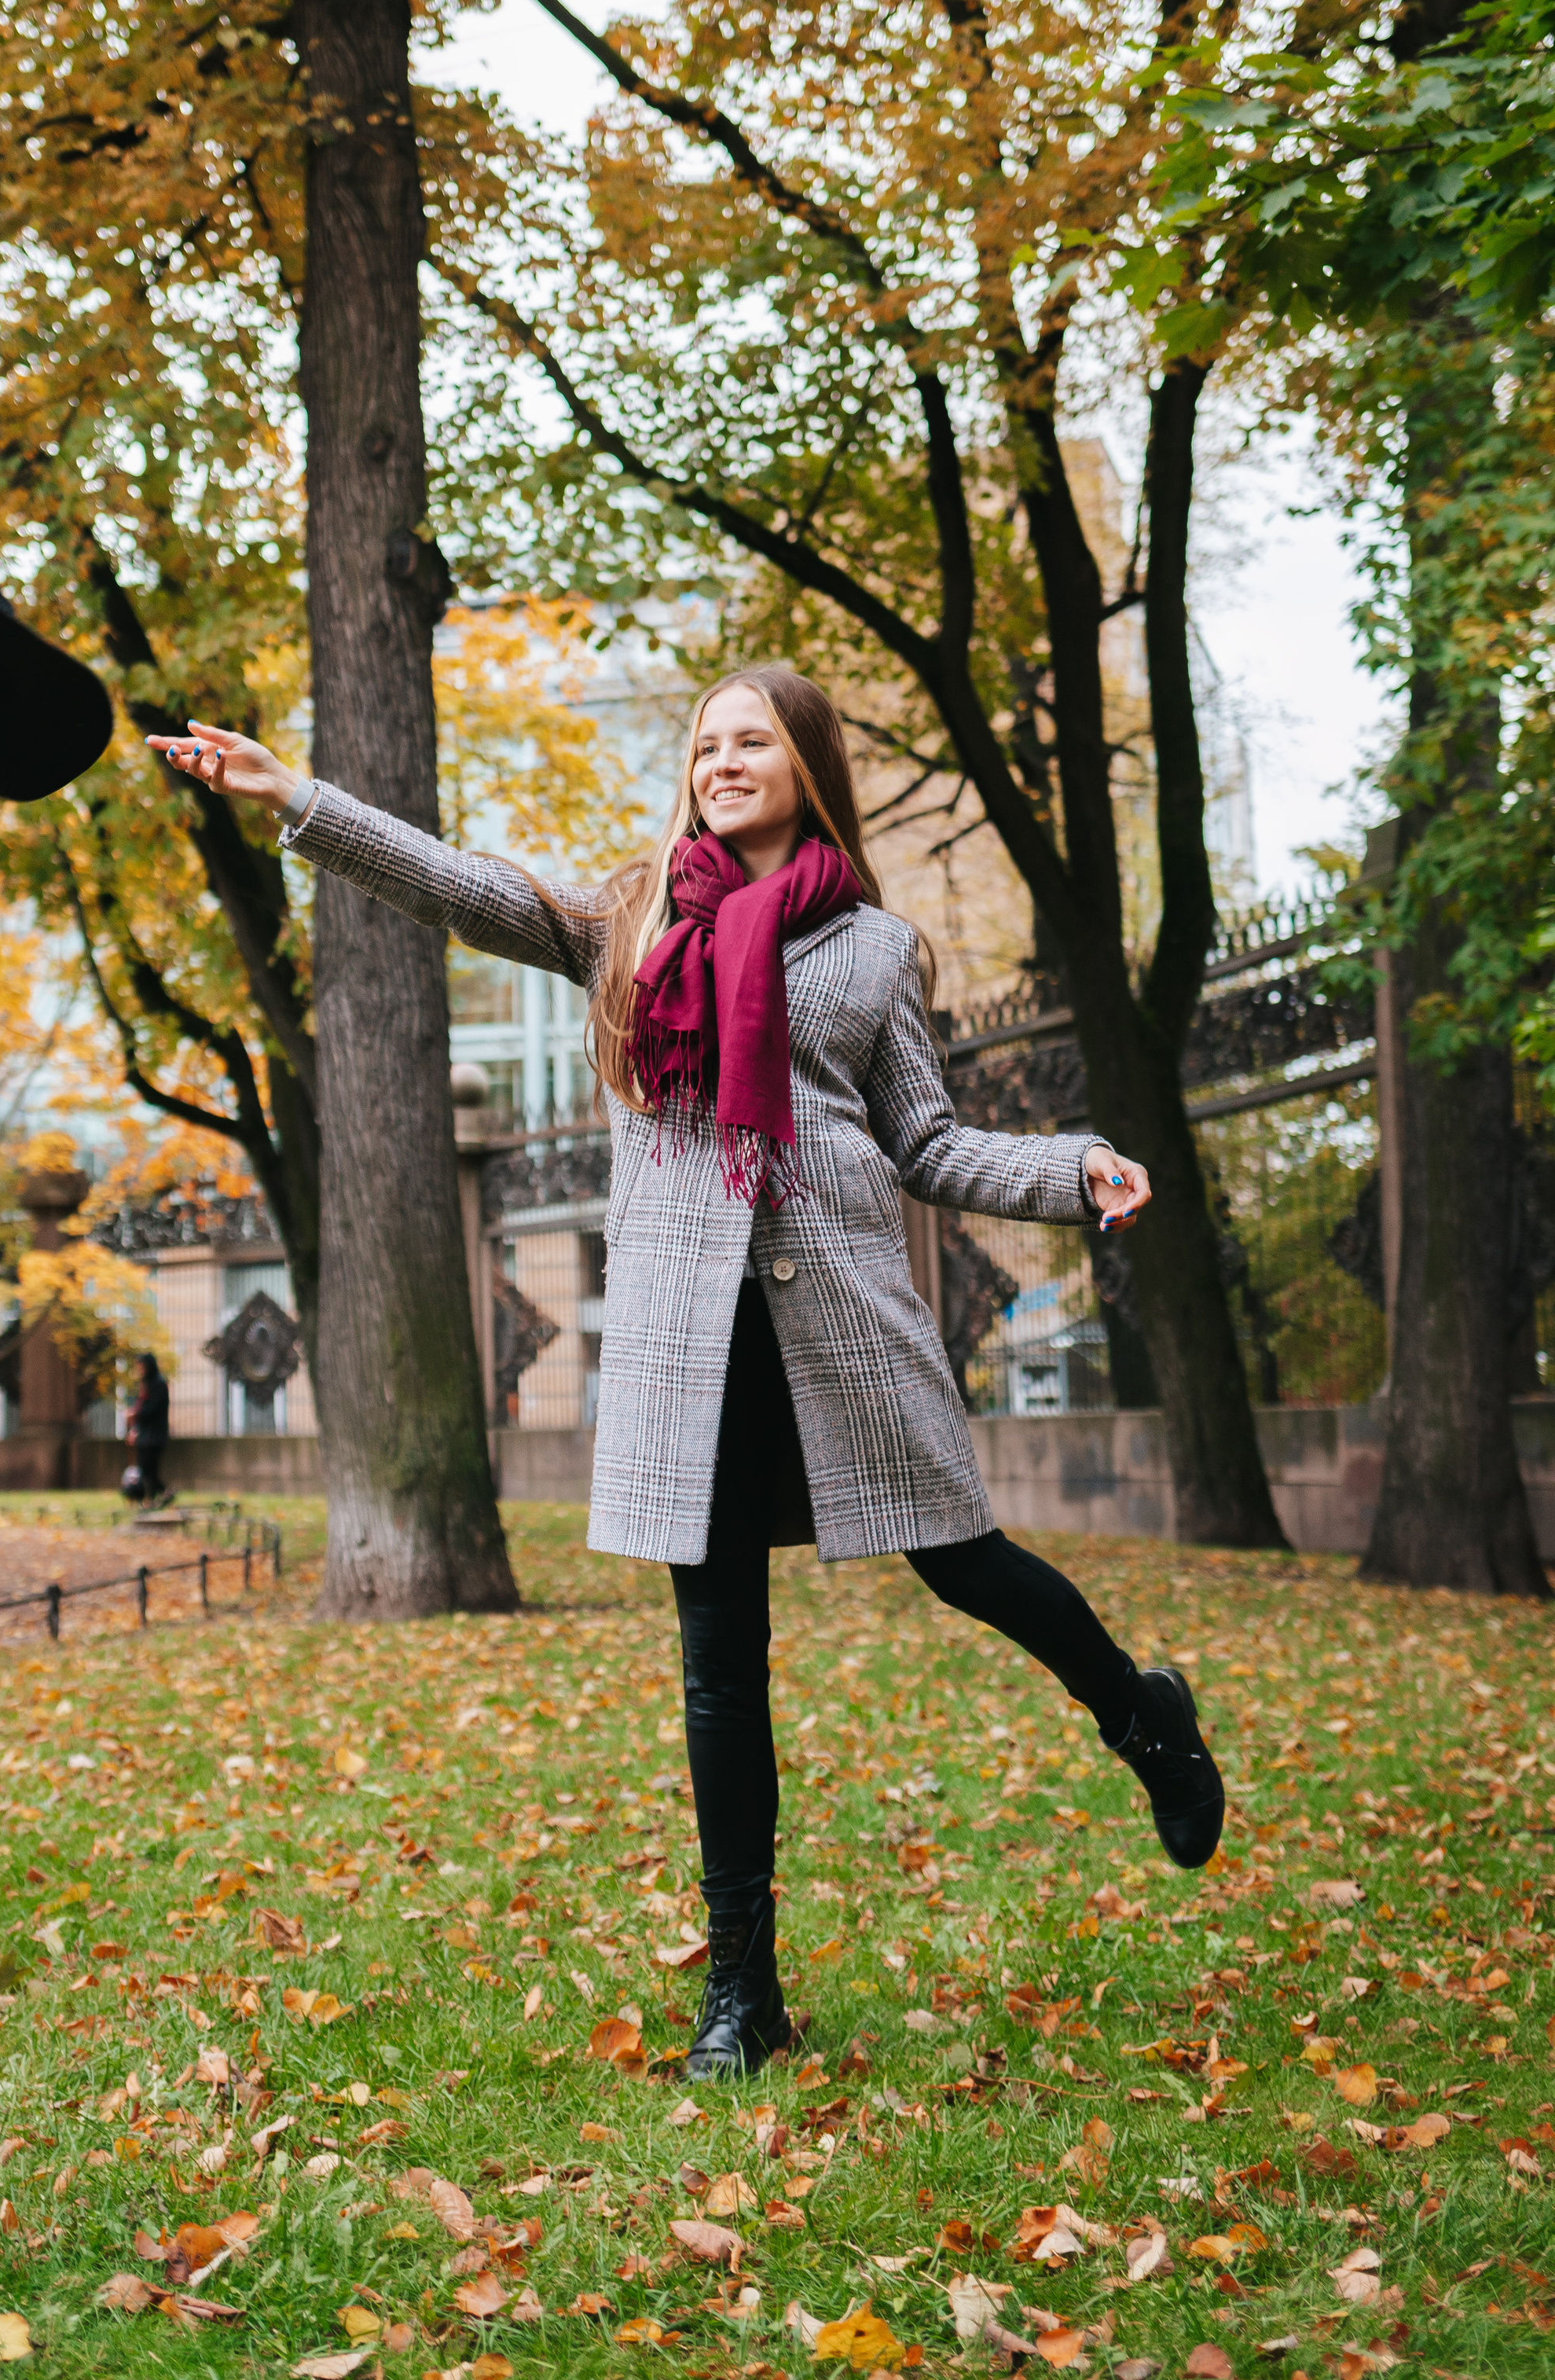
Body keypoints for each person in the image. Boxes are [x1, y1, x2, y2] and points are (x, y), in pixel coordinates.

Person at [149, 670, 1225, 2077]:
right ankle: (743, 1996)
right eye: (706, 744)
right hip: (685, 1336)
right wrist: (296, 797)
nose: (723, 762)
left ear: (806, 762)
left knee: (964, 1564)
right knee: (720, 1666)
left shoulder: (876, 948)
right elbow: (469, 888)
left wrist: (1070, 1168)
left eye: (751, 741)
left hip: (837, 1310)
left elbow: (931, 1146)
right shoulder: (637, 912)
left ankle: (1142, 1714)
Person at [127, 1351, 170, 1510]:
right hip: (146, 1435)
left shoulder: (158, 1384)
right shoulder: (146, 1385)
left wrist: (136, 1414)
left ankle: (162, 1493)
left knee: (149, 1469)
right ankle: (152, 1498)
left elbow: (153, 1409)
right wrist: (135, 1429)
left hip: (155, 1436)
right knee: (146, 1470)